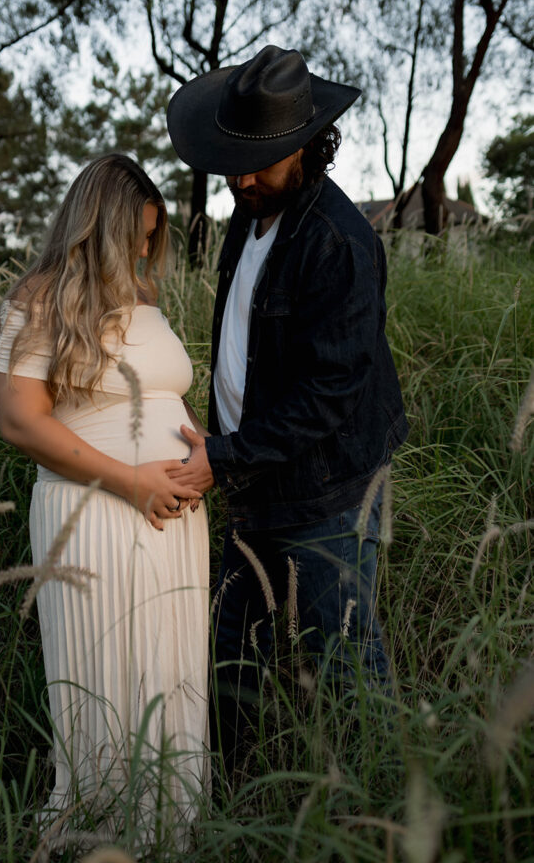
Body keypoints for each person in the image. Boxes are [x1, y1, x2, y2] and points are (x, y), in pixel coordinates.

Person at [166, 45, 409, 773]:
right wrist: (217, 430)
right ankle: (231, 798)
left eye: (260, 163)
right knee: (230, 654)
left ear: (305, 146)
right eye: (233, 163)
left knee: (344, 663)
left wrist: (223, 457)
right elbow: (246, 339)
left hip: (324, 493)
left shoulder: (338, 242)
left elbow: (327, 394)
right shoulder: (247, 215)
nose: (242, 179)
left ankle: (378, 806)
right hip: (249, 477)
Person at [0, 154, 210, 848]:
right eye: (136, 236)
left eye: (152, 237)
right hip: (92, 516)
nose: (146, 251)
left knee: (169, 669)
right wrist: (132, 480)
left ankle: (171, 830)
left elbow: (163, 390)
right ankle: (101, 831)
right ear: (98, 226)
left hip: (172, 519)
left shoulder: (145, 294)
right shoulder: (38, 297)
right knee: (106, 669)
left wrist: (200, 448)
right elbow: (20, 421)